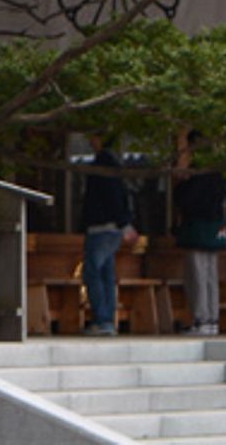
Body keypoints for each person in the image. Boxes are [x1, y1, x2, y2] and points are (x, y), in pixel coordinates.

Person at [78, 137, 137, 336]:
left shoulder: (102, 167)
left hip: (102, 227)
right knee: (106, 273)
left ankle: (102, 319)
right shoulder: (115, 167)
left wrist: (123, 223)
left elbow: (111, 197)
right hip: (111, 228)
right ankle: (107, 319)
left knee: (93, 272)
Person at [174, 134, 226, 336]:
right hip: (214, 226)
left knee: (196, 274)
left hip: (197, 225)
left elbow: (188, 199)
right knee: (210, 274)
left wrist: (180, 184)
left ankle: (201, 318)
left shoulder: (199, 171)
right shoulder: (219, 171)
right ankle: (211, 318)